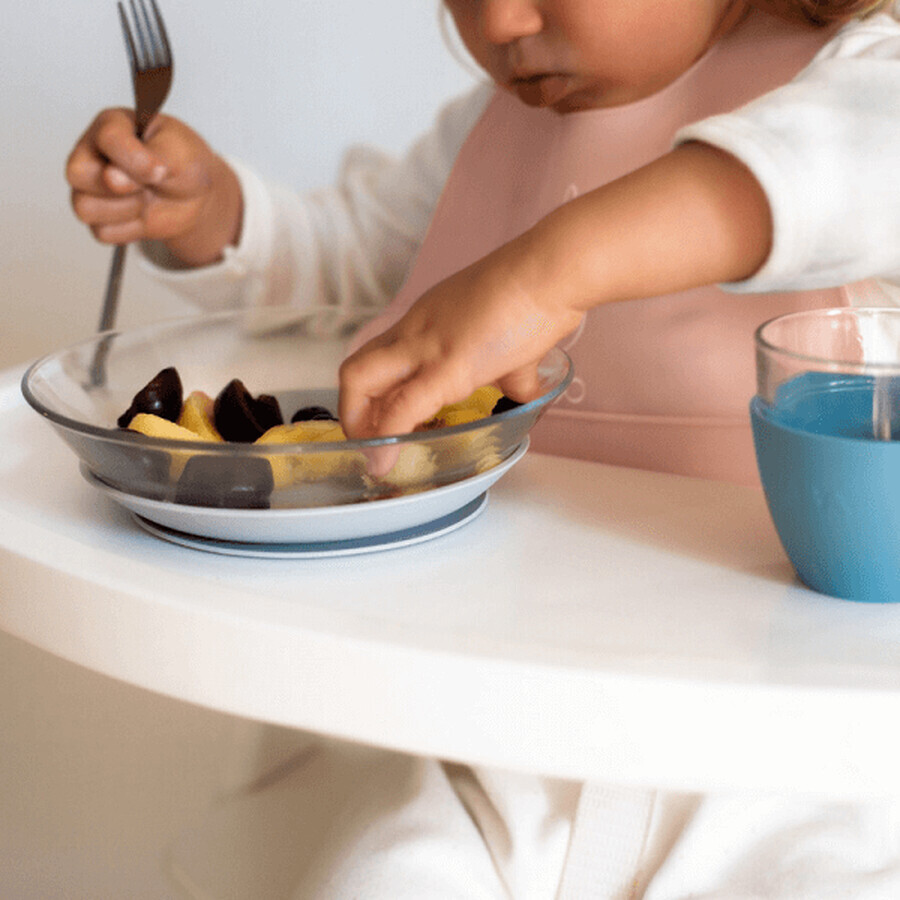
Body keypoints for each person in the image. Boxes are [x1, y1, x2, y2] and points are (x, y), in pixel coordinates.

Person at [66, 1, 900, 897]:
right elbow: (368, 266)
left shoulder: (861, 79)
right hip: (492, 736)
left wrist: (549, 268)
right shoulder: (499, 127)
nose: (500, 20)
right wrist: (223, 215)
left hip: (790, 763)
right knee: (379, 874)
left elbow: (838, 164)